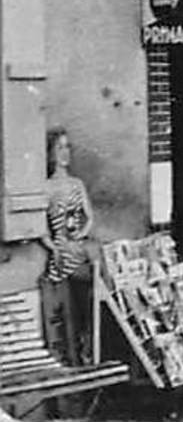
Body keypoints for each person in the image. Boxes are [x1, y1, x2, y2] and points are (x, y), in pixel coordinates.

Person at [40, 127, 96, 364]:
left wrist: (80, 236)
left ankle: (86, 349)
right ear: (50, 153)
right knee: (64, 310)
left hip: (78, 250)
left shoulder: (77, 183)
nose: (65, 153)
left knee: (88, 300)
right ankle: (69, 355)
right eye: (59, 147)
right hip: (61, 256)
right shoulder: (45, 187)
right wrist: (55, 247)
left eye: (67, 147)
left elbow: (89, 217)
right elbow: (40, 228)